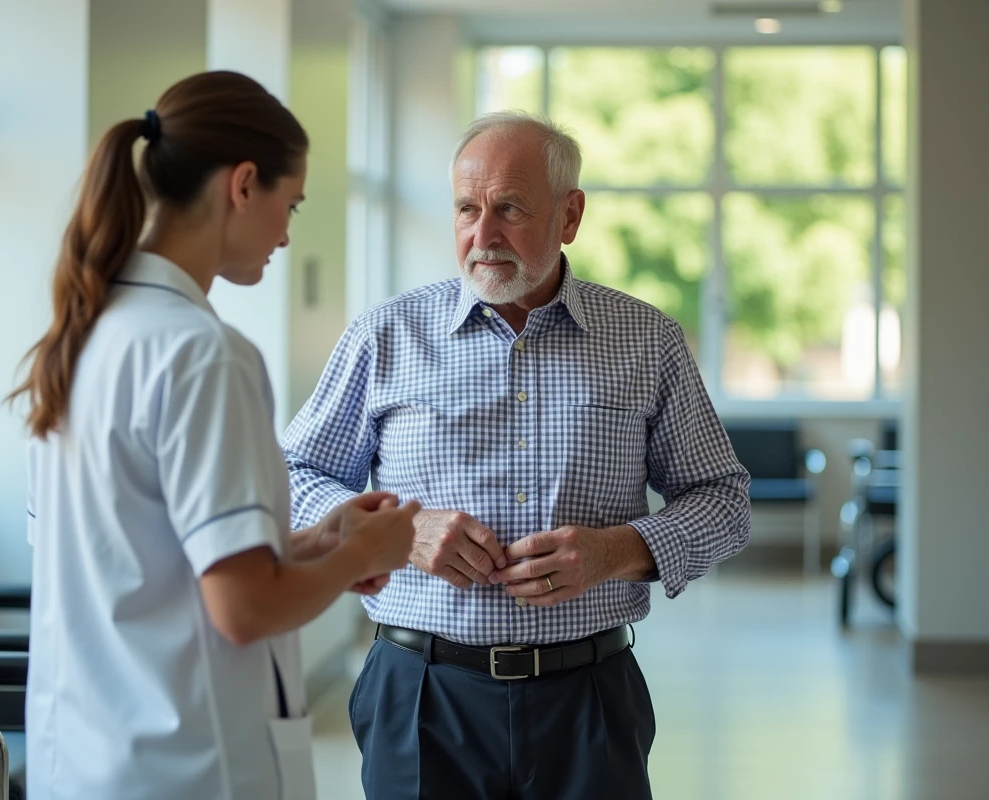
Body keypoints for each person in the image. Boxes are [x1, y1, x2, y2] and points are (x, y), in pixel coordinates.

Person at [281, 111, 752, 799]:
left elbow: (724, 501)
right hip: (421, 695)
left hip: (589, 700)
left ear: (571, 214)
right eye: (467, 209)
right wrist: (400, 534)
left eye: (509, 208)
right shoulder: (386, 336)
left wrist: (617, 551)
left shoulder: (647, 341)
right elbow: (296, 473)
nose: (482, 235)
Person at [9, 70, 419, 800]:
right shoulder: (205, 354)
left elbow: (138, 562)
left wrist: (313, 544)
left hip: (82, 758)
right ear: (243, 184)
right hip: (187, 766)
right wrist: (363, 551)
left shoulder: (80, 338)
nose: (288, 235)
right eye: (288, 205)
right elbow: (244, 610)